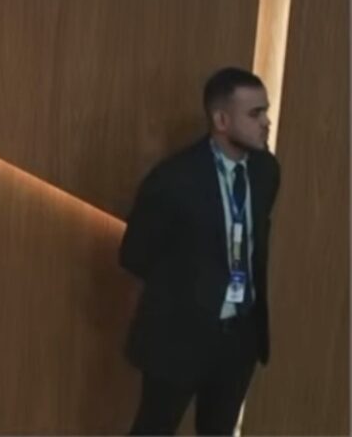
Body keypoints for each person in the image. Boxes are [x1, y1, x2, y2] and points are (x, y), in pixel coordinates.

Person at [120, 67, 281, 435]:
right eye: (255, 114)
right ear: (221, 120)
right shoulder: (172, 180)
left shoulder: (266, 172)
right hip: (179, 335)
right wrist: (190, 286)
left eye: (266, 111)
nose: (266, 122)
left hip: (240, 337)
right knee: (154, 429)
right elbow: (134, 256)